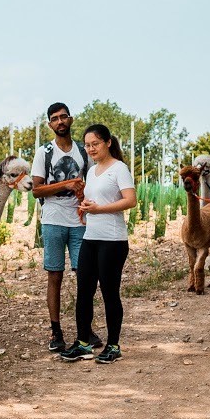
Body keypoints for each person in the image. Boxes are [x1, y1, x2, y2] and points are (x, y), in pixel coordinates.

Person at [60, 122, 137, 363]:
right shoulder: (91, 172)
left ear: (108, 143)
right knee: (84, 292)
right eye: (87, 145)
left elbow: (130, 200)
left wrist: (100, 209)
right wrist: (86, 208)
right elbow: (94, 202)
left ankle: (113, 345)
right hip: (90, 238)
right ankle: (83, 342)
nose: (91, 149)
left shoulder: (119, 169)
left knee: (109, 293)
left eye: (95, 144)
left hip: (112, 240)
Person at [30, 102, 88, 352]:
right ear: (50, 124)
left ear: (71, 119)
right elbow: (36, 189)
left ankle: (85, 329)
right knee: (55, 276)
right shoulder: (44, 152)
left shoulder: (84, 152)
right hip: (53, 220)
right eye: (55, 118)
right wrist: (65, 185)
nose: (60, 121)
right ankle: (56, 331)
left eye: (64, 117)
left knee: (85, 276)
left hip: (79, 222)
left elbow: (88, 183)